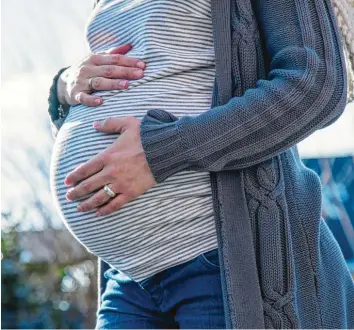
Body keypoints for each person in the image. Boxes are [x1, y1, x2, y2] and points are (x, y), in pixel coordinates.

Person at [47, 0, 354, 328]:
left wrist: (163, 151)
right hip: (129, 277)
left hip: (226, 262)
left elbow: (314, 85)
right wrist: (65, 86)